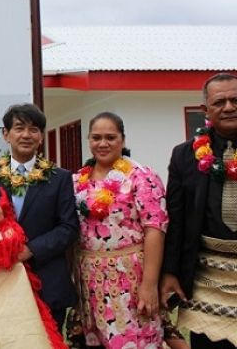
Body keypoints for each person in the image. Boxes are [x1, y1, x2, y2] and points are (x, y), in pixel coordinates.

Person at [0, 103, 79, 332]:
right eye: (19, 128)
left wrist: (32, 250)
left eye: (34, 129)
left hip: (46, 281)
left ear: (41, 137)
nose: (26, 135)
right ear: (6, 134)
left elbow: (69, 227)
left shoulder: (60, 177)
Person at [161, 73, 237, 349]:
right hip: (207, 280)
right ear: (206, 110)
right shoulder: (184, 155)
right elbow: (174, 220)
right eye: (220, 102)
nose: (229, 107)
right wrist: (170, 272)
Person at [72, 112, 167, 348]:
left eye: (110, 137)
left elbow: (155, 228)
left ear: (122, 140)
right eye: (96, 138)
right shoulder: (77, 181)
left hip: (130, 278)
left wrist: (149, 285)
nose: (102, 144)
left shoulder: (141, 177)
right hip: (89, 279)